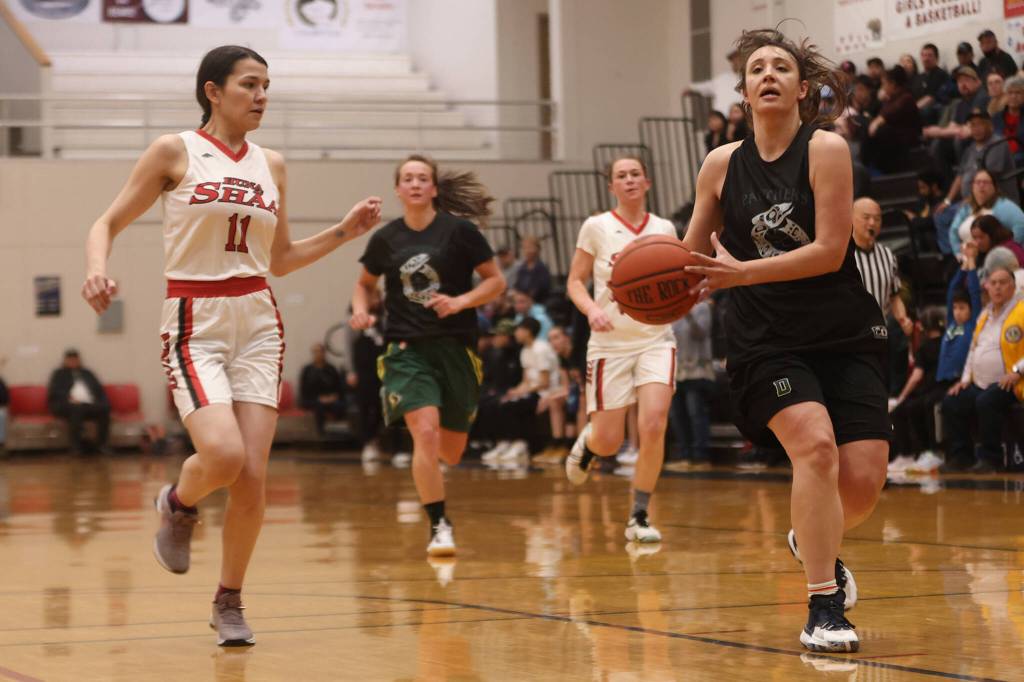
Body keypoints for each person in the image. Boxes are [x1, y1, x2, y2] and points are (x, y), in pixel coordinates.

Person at [80, 45, 383, 647]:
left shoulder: (272, 163)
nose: (262, 95)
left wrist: (345, 232)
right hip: (195, 316)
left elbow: (282, 260)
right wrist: (96, 269)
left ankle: (229, 601)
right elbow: (105, 222)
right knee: (221, 457)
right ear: (213, 91)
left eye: (267, 85)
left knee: (253, 476)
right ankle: (177, 500)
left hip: (258, 320)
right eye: (250, 84)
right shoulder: (175, 151)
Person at [682, 29, 890, 653]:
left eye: (780, 67)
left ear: (803, 89)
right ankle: (824, 606)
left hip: (842, 329)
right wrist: (654, 277)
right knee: (817, 449)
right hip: (765, 337)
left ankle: (811, 535)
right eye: (755, 69)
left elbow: (829, 253)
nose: (767, 74)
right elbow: (692, 255)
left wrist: (739, 270)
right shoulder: (720, 164)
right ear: (744, 92)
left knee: (863, 481)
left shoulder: (825, 149)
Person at [350, 154, 504, 556]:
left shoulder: (461, 233)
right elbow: (364, 284)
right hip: (405, 350)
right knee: (425, 432)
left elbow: (495, 282)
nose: (415, 184)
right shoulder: (386, 239)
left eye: (423, 178)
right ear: (398, 190)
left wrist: (461, 301)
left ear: (434, 188)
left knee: (450, 451)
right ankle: (438, 524)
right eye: (408, 179)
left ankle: (437, 502)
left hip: (455, 347)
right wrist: (362, 310)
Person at [563, 155, 678, 546]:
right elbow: (575, 282)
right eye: (620, 176)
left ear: (647, 182)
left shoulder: (664, 228)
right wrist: (592, 309)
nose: (628, 180)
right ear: (611, 187)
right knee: (609, 441)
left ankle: (639, 514)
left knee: (653, 424)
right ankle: (590, 442)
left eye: (635, 174)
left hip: (656, 339)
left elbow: (677, 283)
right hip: (609, 343)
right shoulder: (596, 226)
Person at [942, 265, 1024, 473]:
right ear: (987, 287)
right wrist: (965, 379)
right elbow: (973, 349)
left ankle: (991, 458)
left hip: (1013, 382)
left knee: (986, 401)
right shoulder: (985, 314)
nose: (997, 288)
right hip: (980, 383)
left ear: (1013, 286)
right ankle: (961, 456)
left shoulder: (1021, 310)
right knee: (952, 401)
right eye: (993, 283)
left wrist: (1017, 371)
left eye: (1002, 283)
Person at [668, 300, 714, 466]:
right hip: (676, 370)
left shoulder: (702, 306)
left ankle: (701, 456)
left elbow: (701, 333)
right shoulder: (671, 309)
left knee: (696, 413)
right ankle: (684, 455)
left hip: (697, 370)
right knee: (677, 415)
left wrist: (688, 315)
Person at [46, 349, 111, 455]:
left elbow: (98, 389)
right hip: (66, 404)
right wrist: (70, 398)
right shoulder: (59, 374)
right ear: (65, 361)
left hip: (87, 403)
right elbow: (54, 392)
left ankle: (102, 444)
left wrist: (100, 401)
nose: (73, 362)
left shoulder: (88, 373)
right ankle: (76, 446)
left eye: (75, 360)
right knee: (77, 409)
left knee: (104, 409)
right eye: (70, 360)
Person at [946, 169, 1024, 255]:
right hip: (967, 259)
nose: (981, 185)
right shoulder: (966, 207)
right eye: (978, 182)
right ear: (972, 186)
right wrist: (958, 253)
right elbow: (953, 231)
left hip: (995, 259)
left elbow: (1021, 225)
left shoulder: (1003, 206)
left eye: (986, 182)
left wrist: (1007, 251)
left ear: (994, 187)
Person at [864, 66, 922, 173]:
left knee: (882, 132)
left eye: (884, 84)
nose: (882, 87)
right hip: (895, 138)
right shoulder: (890, 99)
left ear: (893, 84)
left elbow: (890, 113)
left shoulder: (906, 97)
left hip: (907, 138)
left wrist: (876, 122)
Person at [298, 343, 345, 436]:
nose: (318, 354)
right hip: (312, 400)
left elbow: (339, 387)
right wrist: (319, 398)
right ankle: (321, 434)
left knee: (341, 405)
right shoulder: (307, 370)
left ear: (324, 353)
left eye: (320, 351)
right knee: (319, 407)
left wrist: (333, 397)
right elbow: (304, 390)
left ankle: (338, 435)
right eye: (316, 352)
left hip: (331, 399)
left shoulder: (331, 369)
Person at [512, 235, 553, 304]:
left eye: (530, 247)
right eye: (525, 248)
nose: (528, 251)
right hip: (521, 301)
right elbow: (517, 286)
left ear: (537, 249)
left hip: (538, 302)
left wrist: (526, 298)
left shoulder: (541, 268)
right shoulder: (522, 268)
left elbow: (541, 288)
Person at [994, 76, 1024, 166]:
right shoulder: (996, 118)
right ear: (1005, 95)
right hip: (999, 159)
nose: (1014, 96)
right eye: (1010, 93)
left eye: (1018, 93)